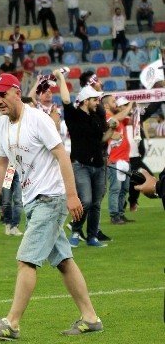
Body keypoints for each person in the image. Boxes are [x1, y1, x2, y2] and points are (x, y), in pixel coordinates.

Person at [0, 72, 103, 340]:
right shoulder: (2, 124)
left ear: (16, 92)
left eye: (2, 94)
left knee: (26, 259)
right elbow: (2, 162)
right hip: (33, 201)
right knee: (64, 261)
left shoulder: (38, 119)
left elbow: (62, 154)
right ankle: (91, 318)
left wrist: (71, 195)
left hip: (51, 197)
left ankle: (11, 323)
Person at [57, 71, 114, 247]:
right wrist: (61, 79)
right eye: (95, 100)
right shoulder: (74, 115)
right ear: (85, 101)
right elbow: (66, 100)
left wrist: (111, 129)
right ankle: (75, 230)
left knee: (96, 203)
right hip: (80, 165)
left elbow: (102, 139)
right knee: (87, 201)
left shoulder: (98, 116)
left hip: (98, 164)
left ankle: (92, 237)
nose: (98, 102)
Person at [102, 95, 135, 224]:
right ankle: (114, 215)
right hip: (114, 159)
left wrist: (132, 109)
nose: (116, 103)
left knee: (124, 189)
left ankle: (120, 213)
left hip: (125, 158)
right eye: (113, 102)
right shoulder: (107, 118)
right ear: (106, 106)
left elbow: (133, 119)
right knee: (115, 189)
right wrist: (130, 105)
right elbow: (119, 117)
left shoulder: (120, 119)